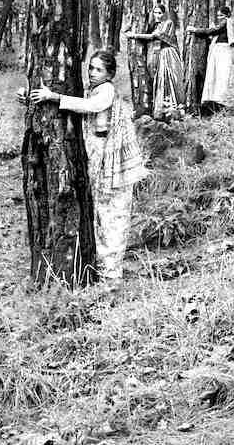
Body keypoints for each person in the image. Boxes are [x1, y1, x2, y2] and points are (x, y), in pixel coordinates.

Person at [29, 49, 148, 282]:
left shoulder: (107, 91)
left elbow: (91, 107)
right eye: (91, 67)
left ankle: (111, 275)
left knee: (113, 218)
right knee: (99, 217)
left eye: (98, 69)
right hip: (98, 162)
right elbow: (82, 105)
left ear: (110, 73)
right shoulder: (92, 90)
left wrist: (53, 97)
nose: (92, 73)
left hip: (112, 165)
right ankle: (101, 269)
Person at [125, 5, 185, 120]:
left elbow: (154, 36)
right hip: (160, 54)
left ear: (164, 13)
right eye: (155, 13)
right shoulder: (155, 25)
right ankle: (161, 108)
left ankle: (172, 109)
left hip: (168, 53)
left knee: (169, 79)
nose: (157, 15)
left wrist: (133, 35)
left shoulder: (168, 23)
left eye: (159, 13)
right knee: (160, 80)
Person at [187, 5, 234, 115]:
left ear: (227, 15)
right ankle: (214, 101)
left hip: (222, 51)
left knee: (221, 76)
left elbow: (212, 31)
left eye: (221, 15)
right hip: (218, 51)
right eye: (218, 16)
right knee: (215, 75)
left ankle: (220, 101)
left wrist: (195, 30)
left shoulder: (226, 22)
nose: (219, 18)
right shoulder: (224, 23)